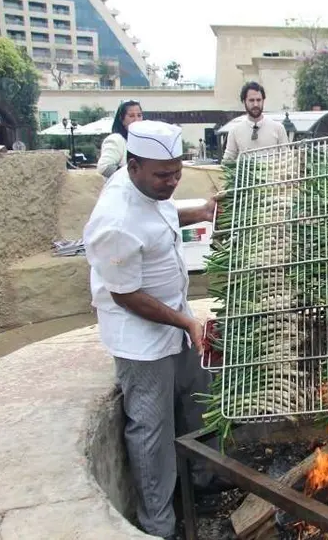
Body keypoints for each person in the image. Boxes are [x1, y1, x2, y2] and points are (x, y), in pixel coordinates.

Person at [83, 120, 223, 540]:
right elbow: (126, 296)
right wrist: (185, 321)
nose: (172, 181)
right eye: (163, 174)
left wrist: (198, 211)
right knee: (151, 431)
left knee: (198, 397)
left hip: (177, 320)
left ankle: (206, 480)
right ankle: (159, 525)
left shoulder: (152, 190)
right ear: (133, 165)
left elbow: (159, 215)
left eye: (177, 171)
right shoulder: (114, 220)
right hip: (142, 339)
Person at [221, 81, 289, 163]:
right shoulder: (235, 131)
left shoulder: (278, 128)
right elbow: (228, 160)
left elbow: (287, 159)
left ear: (263, 101)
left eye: (259, 100)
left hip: (273, 175)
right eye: (251, 100)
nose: (256, 104)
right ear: (244, 102)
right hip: (246, 175)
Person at [97, 100, 143, 179]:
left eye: (139, 115)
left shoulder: (142, 141)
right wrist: (133, 175)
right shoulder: (116, 139)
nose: (136, 119)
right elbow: (104, 167)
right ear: (122, 119)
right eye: (131, 116)